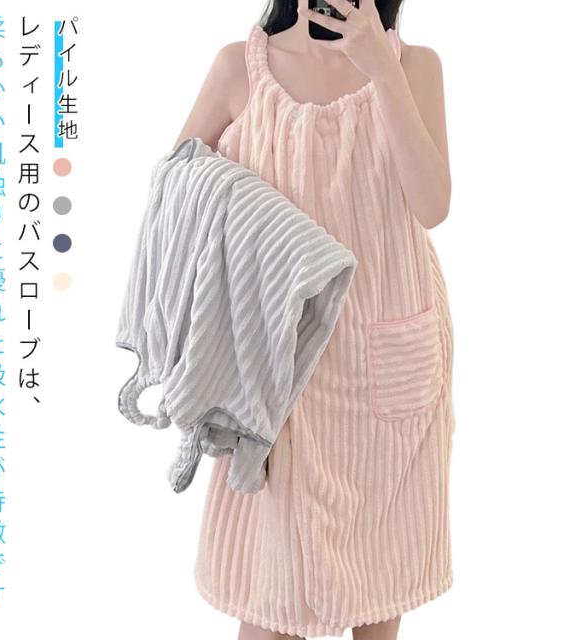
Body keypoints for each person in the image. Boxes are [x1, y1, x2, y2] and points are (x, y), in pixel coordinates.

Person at [173, 1, 455, 639]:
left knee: (378, 589)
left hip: (384, 371)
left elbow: (432, 204)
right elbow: (177, 196)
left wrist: (382, 70)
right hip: (273, 376)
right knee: (271, 604)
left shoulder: (415, 69)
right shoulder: (240, 69)